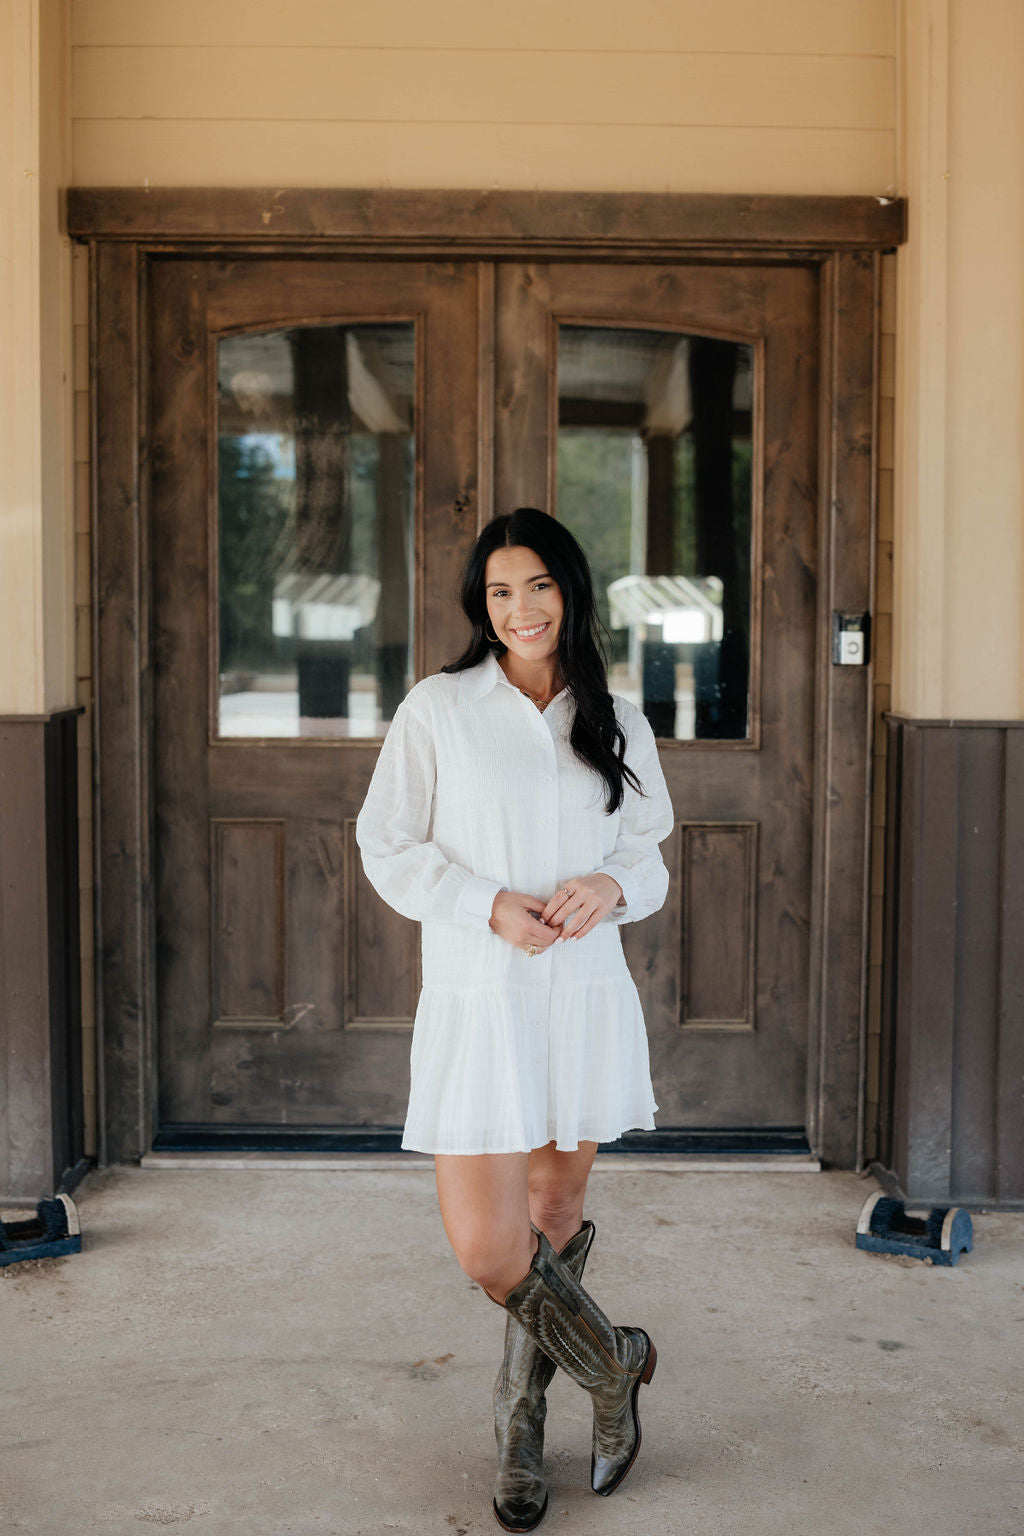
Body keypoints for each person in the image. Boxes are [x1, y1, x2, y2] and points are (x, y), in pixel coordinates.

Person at [355, 507, 674, 1532]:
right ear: (480, 605)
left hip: (579, 1001)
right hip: (479, 1001)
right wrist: (483, 903)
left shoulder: (615, 712)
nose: (520, 608)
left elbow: (648, 858)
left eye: (537, 585)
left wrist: (607, 889)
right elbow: (387, 844)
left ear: (569, 592)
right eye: (499, 591)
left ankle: (521, 1428)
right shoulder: (439, 708)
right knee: (491, 1252)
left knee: (552, 1219)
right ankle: (615, 1364)